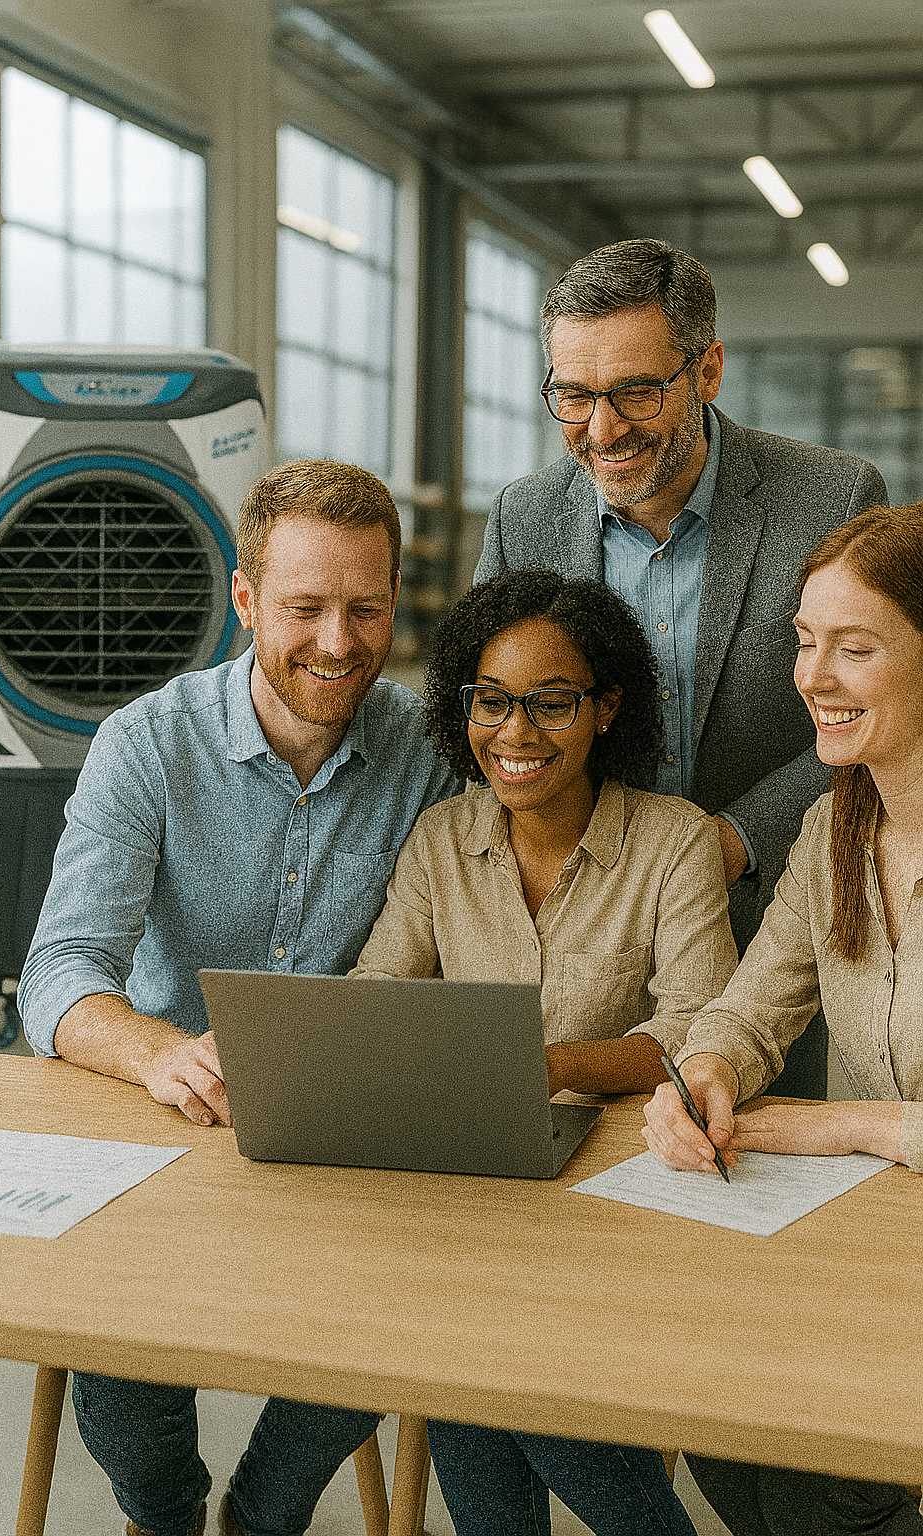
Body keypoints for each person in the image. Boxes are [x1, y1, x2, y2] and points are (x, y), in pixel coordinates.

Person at [18, 459, 460, 1536]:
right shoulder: (147, 744)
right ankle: (167, 1516)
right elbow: (61, 969)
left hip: (341, 1136)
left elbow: (458, 960)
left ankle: (265, 1514)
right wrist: (160, 1052)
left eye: (365, 607)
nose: (338, 642)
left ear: (395, 598)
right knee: (111, 1330)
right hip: (172, 1117)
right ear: (247, 599)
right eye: (305, 608)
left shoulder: (432, 751)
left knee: (408, 1296)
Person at [353, 568, 737, 1535]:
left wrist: (554, 1066)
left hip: (625, 1205)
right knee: (472, 1359)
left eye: (550, 703)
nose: (514, 733)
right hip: (479, 1199)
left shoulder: (674, 842)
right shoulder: (442, 838)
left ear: (607, 708)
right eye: (490, 702)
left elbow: (698, 1033)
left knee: (490, 1374)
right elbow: (376, 998)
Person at [475, 237, 889, 1096]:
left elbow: (874, 716)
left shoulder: (831, 499)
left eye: (635, 390)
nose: (601, 429)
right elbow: (484, 709)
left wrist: (733, 842)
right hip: (580, 948)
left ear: (707, 371)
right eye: (573, 396)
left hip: (762, 926)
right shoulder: (524, 517)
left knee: (751, 1199)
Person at [643, 502, 923, 1536]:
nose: (812, 677)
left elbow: (842, 1121)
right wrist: (707, 1068)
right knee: (720, 1427)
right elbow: (755, 1004)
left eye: (854, 649)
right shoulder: (834, 826)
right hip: (873, 1257)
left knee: (815, 1485)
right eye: (806, 643)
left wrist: (847, 1124)